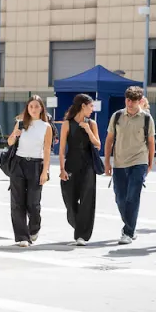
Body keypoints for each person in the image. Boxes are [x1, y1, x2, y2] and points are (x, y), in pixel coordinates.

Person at [104, 86, 155, 245]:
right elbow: (109, 140)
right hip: (119, 162)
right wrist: (107, 162)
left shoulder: (146, 118)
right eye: (128, 100)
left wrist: (150, 163)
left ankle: (128, 232)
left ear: (140, 101)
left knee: (133, 196)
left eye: (133, 101)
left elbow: (151, 142)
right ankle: (130, 224)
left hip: (139, 161)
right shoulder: (117, 116)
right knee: (120, 198)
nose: (130, 103)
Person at [7, 95, 53, 247]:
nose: (33, 109)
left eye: (36, 106)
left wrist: (45, 171)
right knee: (17, 202)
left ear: (41, 109)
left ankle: (34, 228)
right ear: (27, 108)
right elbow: (10, 142)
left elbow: (47, 150)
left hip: (36, 165)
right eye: (31, 106)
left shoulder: (46, 127)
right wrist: (15, 134)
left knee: (33, 203)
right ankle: (22, 237)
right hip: (18, 164)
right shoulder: (21, 123)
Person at [58, 94, 101, 246]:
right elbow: (61, 149)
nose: (92, 109)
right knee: (69, 199)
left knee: (87, 199)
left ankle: (82, 235)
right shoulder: (67, 124)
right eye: (91, 106)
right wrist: (62, 169)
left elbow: (98, 144)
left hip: (88, 165)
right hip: (71, 164)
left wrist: (88, 130)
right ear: (83, 106)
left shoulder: (92, 123)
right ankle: (78, 224)